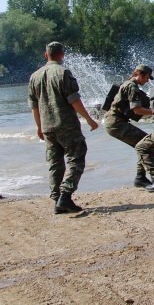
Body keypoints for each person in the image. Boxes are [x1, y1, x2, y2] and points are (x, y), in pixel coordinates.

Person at [28, 41, 99, 214]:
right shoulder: (63, 72)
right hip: (66, 125)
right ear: (62, 55)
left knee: (55, 163)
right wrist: (89, 119)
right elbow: (74, 100)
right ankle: (65, 197)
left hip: (47, 127)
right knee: (76, 158)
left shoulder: (34, 76)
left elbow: (34, 106)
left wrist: (39, 127)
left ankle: (56, 200)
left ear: (46, 55)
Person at [104, 64, 154, 187]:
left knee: (142, 145)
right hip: (116, 123)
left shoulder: (129, 83)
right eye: (147, 77)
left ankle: (141, 178)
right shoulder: (132, 86)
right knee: (147, 144)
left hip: (114, 122)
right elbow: (137, 110)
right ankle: (152, 177)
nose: (147, 81)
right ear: (139, 74)